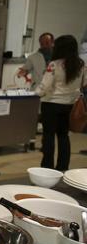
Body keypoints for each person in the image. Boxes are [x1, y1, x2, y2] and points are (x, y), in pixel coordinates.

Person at [36, 35, 87, 171]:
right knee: (64, 136)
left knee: (49, 136)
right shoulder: (81, 64)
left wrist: (36, 93)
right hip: (70, 105)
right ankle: (62, 167)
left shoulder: (54, 65)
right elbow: (84, 83)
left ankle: (47, 167)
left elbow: (44, 86)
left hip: (51, 104)